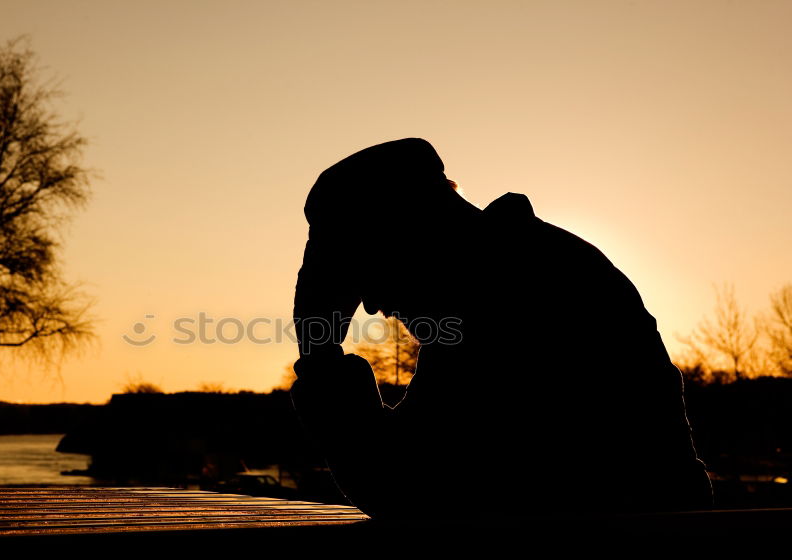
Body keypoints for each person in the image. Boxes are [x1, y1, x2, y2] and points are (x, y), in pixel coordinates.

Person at [290, 138, 712, 518]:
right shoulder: (515, 267)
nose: (373, 304)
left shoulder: (507, 290)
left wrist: (322, 366)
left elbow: (410, 493)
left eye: (371, 271)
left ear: (410, 233)